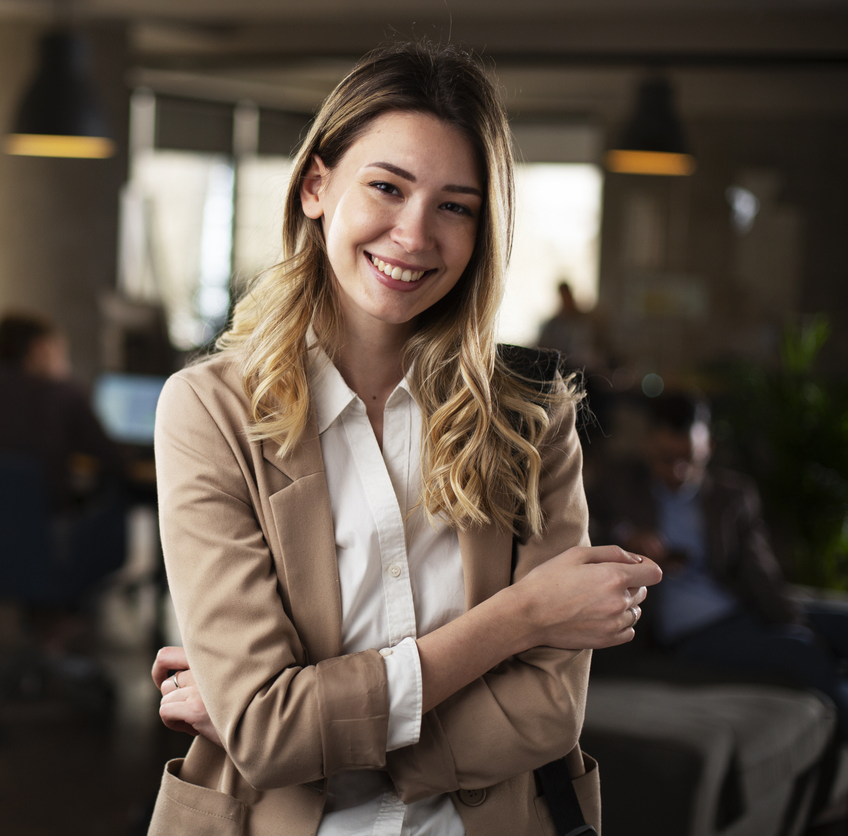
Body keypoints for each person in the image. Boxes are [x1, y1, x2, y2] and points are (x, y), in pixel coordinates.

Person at [145, 43, 661, 836]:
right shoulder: (208, 412)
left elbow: (549, 713)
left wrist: (303, 728)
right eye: (387, 187)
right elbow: (264, 731)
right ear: (317, 186)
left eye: (455, 205)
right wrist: (522, 616)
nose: (415, 235)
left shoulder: (532, 415)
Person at [591, 393, 848, 745]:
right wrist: (626, 537)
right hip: (689, 630)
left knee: (843, 628)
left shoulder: (732, 496)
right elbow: (582, 528)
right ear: (647, 445)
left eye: (688, 460)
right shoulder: (621, 485)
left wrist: (793, 618)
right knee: (802, 651)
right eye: (666, 459)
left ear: (709, 446)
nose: (677, 471)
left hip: (739, 607)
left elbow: (760, 572)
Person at [0, 313, 122, 513]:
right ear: (40, 349)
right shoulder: (64, 394)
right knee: (116, 493)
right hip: (45, 526)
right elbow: (112, 457)